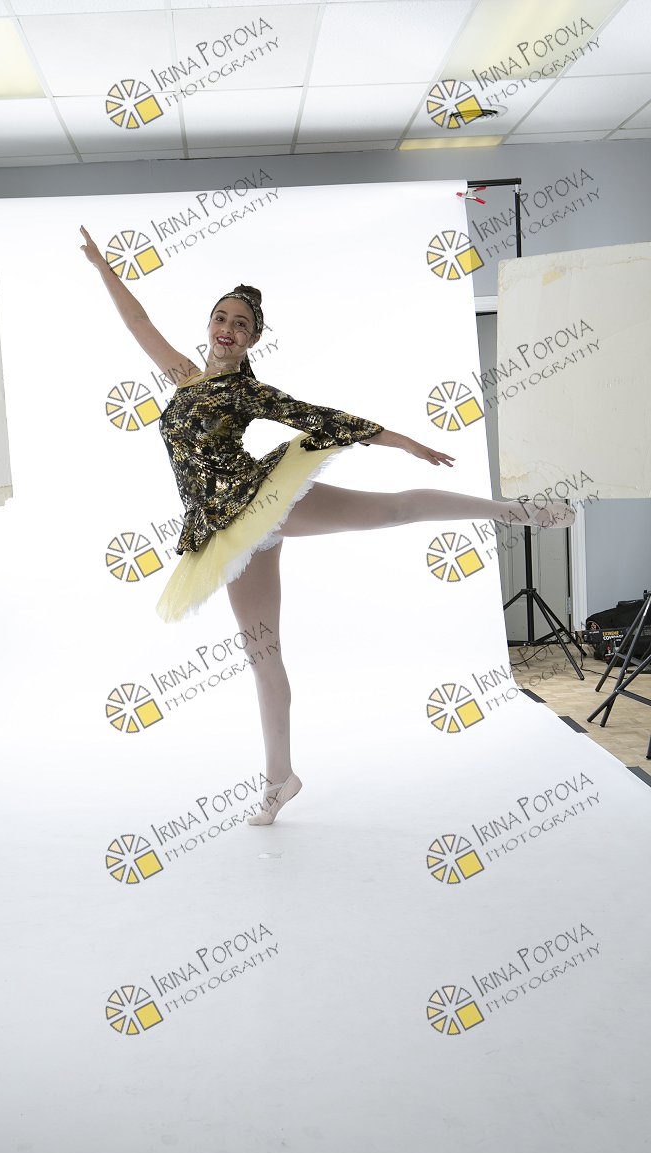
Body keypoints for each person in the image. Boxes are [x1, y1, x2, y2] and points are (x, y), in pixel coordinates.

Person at [81, 225, 576, 826]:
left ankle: (520, 511)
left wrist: (400, 440)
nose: (228, 328)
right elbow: (138, 323)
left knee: (391, 510)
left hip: (260, 499)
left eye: (241, 324)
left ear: (253, 338)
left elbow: (318, 416)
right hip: (222, 531)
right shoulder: (185, 377)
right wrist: (103, 267)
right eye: (221, 318)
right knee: (263, 653)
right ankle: (279, 780)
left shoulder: (247, 391)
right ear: (208, 325)